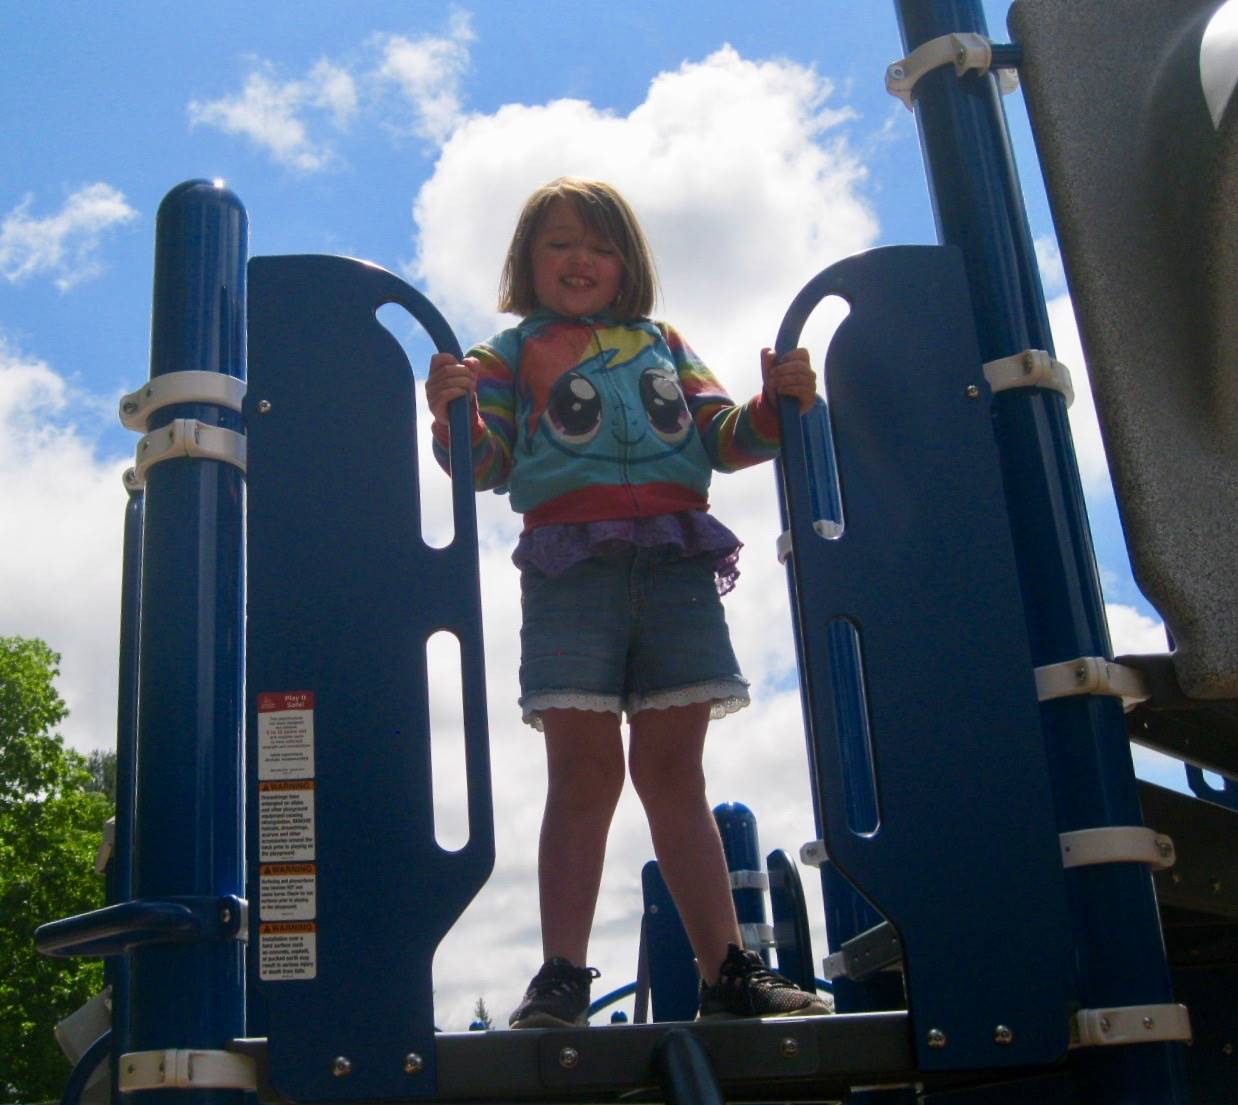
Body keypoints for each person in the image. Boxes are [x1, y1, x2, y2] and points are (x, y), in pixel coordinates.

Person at [426, 177, 831, 1027]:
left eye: (601, 245)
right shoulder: (507, 353)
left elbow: (722, 437)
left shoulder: (663, 343)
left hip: (677, 560)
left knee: (674, 772)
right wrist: (453, 413)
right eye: (561, 243)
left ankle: (727, 970)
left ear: (628, 264)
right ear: (528, 261)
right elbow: (488, 462)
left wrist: (776, 402)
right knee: (583, 771)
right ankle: (563, 972)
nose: (582, 259)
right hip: (571, 568)